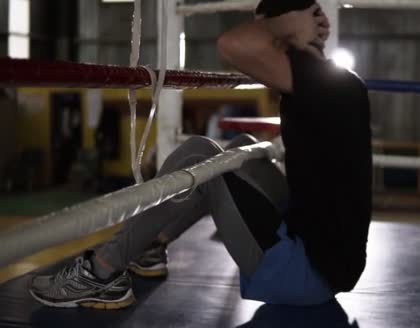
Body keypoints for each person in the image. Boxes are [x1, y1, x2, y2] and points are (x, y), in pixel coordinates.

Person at [29, 0, 371, 309]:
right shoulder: (332, 83)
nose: (264, 51)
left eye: (269, 36)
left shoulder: (325, 84)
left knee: (210, 165)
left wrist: (283, 27)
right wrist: (287, 27)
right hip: (317, 257)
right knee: (234, 148)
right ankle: (151, 246)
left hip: (303, 275)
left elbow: (231, 45)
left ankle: (100, 272)